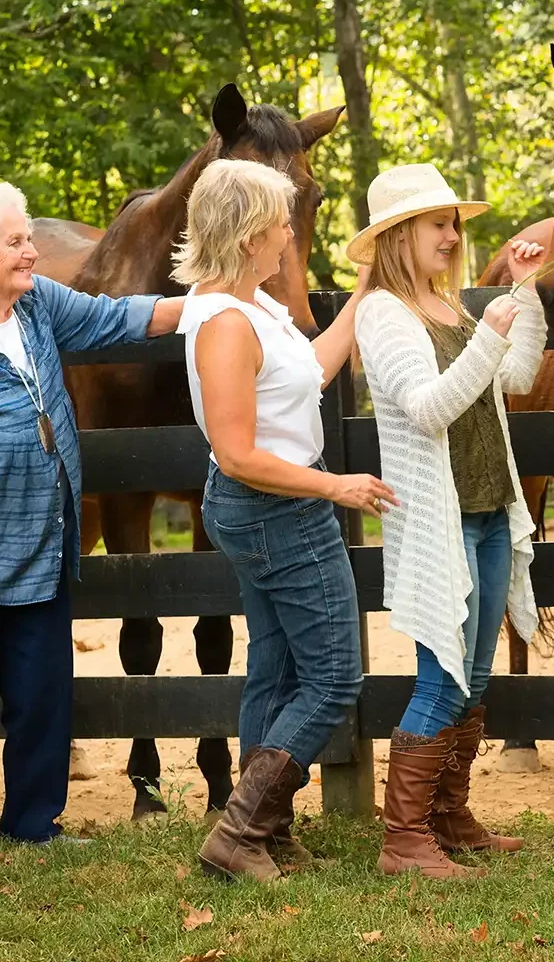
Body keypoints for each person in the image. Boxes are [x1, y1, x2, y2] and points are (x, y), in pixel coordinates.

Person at [0, 179, 187, 873]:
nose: (31, 252)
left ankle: (32, 824)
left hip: (38, 546)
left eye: (29, 239)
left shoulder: (37, 306)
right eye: (16, 242)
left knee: (41, 694)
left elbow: (118, 318)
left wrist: (211, 303)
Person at [176, 159, 396, 882]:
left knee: (274, 672)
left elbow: (312, 372)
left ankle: (262, 829)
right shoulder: (226, 324)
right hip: (276, 509)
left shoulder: (254, 306)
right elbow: (238, 453)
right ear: (248, 237)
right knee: (333, 678)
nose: (288, 235)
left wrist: (364, 291)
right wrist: (335, 486)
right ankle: (240, 832)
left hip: (270, 507)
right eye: (279, 223)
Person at [351, 163, 548, 879]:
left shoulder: (448, 306)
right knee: (442, 678)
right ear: (401, 233)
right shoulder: (382, 313)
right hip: (442, 526)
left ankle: (448, 817)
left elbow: (515, 376)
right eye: (439, 223)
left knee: (475, 675)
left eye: (454, 223)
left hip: (490, 511)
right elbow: (428, 408)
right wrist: (488, 336)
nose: (453, 235)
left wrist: (523, 295)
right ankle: (403, 839)